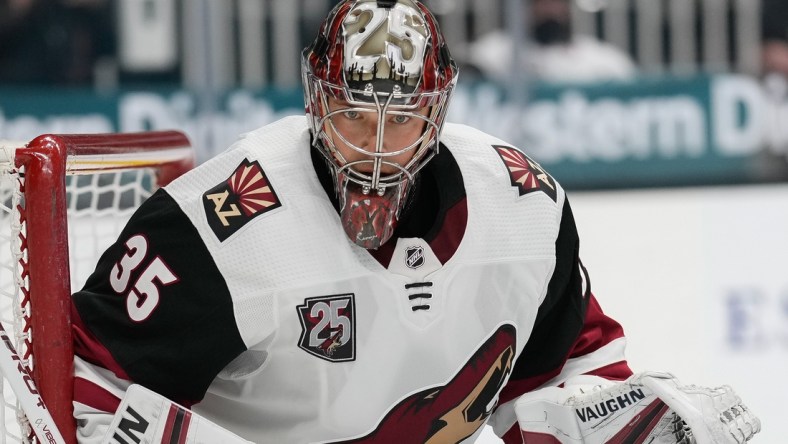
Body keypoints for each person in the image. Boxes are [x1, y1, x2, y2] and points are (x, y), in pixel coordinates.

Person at [71, 1, 759, 443]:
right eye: (354, 114)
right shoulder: (220, 228)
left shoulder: (523, 205)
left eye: (399, 118)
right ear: (316, 99)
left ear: (437, 111)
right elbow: (80, 385)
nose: (374, 144)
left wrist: (633, 426)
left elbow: (567, 379)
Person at [465, 0, 636, 84]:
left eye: (557, 3)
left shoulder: (599, 58)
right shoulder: (497, 49)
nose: (551, 11)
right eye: (542, 3)